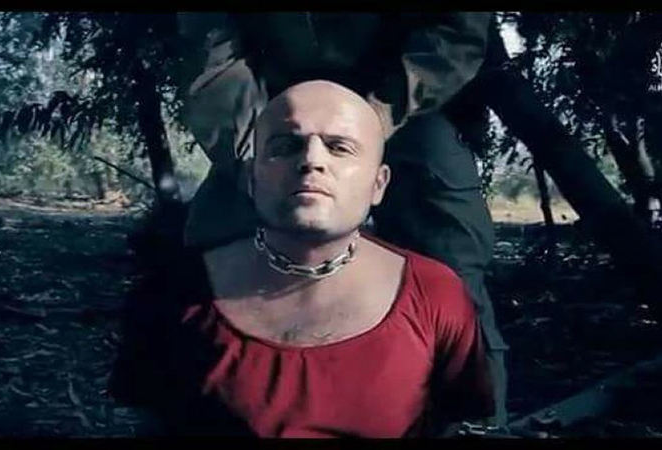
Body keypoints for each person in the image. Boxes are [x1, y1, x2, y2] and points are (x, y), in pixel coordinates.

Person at [177, 12, 510, 427]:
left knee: (454, 261)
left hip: (409, 107)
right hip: (276, 112)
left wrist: (367, 121)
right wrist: (256, 156)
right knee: (211, 242)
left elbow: (454, 34)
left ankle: (478, 425)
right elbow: (212, 50)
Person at [109, 81, 495, 437]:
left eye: (339, 147)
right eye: (286, 146)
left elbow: (453, 422)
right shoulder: (175, 291)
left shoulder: (435, 295)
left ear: (379, 184)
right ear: (251, 178)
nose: (311, 160)